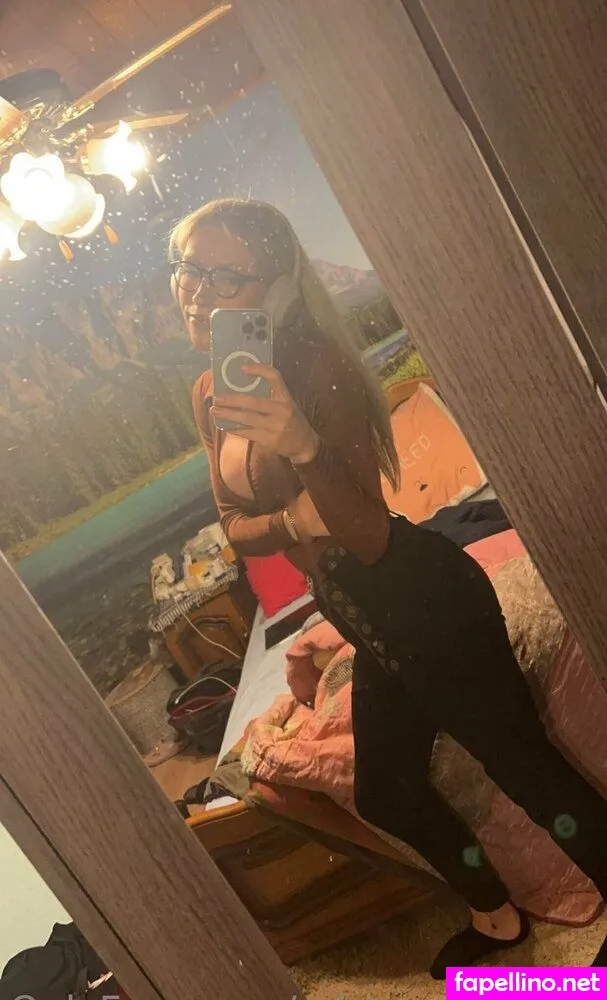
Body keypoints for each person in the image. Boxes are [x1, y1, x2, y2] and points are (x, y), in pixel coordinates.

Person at [169, 198, 607, 978]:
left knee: (525, 772)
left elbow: (366, 535)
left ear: (277, 285)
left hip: (425, 597)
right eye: (187, 268)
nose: (197, 291)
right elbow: (234, 527)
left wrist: (302, 445)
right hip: (363, 616)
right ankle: (495, 916)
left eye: (223, 275)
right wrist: (293, 519)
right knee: (387, 791)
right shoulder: (212, 390)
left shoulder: (316, 369)